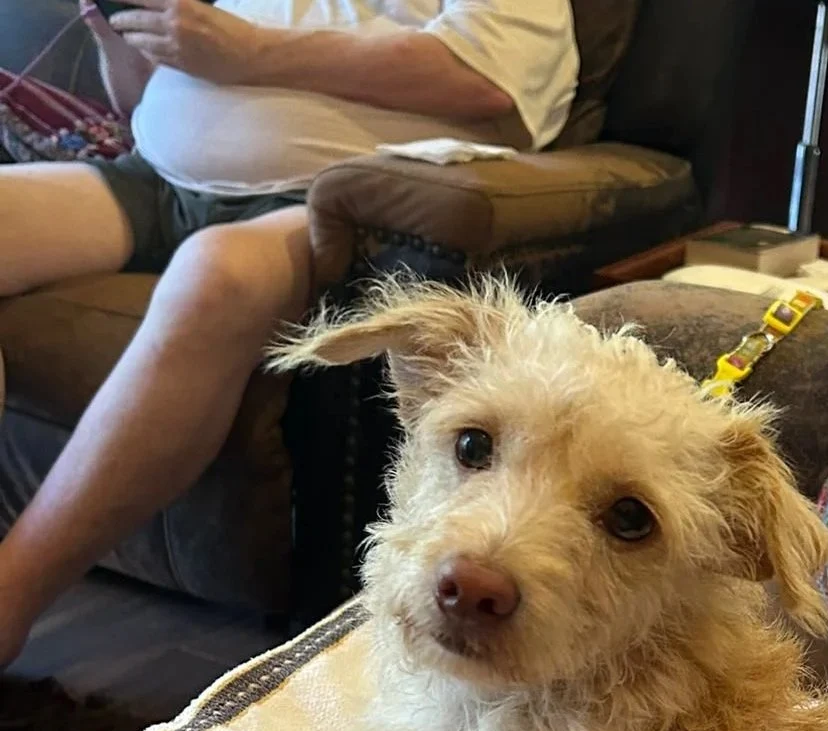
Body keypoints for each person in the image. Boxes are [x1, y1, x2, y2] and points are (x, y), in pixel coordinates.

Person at [0, 0, 578, 669]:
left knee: (214, 273)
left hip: (321, 200)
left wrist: (248, 51)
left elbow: (489, 74)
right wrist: (120, 34)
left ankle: (10, 600)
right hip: (156, 179)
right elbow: (141, 101)